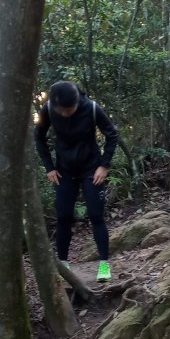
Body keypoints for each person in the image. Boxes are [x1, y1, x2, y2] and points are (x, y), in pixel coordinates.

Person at [34, 81, 119, 282]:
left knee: (96, 215)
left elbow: (112, 135)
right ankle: (64, 266)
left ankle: (104, 265)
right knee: (63, 217)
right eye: (60, 111)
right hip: (64, 171)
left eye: (69, 109)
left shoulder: (91, 108)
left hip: (91, 169)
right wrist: (49, 167)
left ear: (76, 102)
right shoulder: (48, 110)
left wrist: (104, 166)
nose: (65, 114)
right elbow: (38, 136)